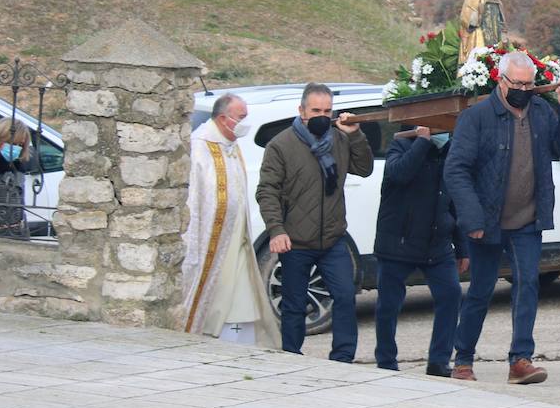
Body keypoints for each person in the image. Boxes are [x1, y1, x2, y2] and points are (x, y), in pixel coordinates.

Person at [443, 50, 560, 383]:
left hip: (527, 220)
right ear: (500, 81)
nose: (522, 89)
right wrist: (472, 219)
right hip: (486, 221)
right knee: (480, 290)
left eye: (529, 84)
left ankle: (520, 360)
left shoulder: (542, 113)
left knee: (527, 286)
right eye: (516, 83)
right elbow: (456, 169)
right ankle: (463, 361)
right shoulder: (477, 117)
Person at [256, 82, 373, 361]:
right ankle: (291, 356)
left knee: (345, 296)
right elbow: (267, 191)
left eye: (327, 110)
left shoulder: (340, 139)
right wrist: (276, 230)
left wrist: (356, 136)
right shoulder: (281, 145)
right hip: (296, 240)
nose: (322, 115)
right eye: (316, 110)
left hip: (333, 239)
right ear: (302, 110)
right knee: (294, 304)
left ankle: (343, 358)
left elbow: (365, 168)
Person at [183, 94, 281, 348]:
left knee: (241, 297)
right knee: (218, 298)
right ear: (223, 118)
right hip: (212, 242)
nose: (244, 123)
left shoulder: (232, 146)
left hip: (237, 238)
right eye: (241, 117)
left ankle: (239, 345)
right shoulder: (200, 147)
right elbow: (194, 200)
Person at [373, 125, 467, 376]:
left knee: (450, 295)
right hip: (398, 242)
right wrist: (422, 142)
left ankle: (438, 360)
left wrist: (462, 248)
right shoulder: (400, 146)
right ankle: (385, 361)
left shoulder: (448, 151)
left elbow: (454, 202)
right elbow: (399, 173)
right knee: (388, 305)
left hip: (436, 243)